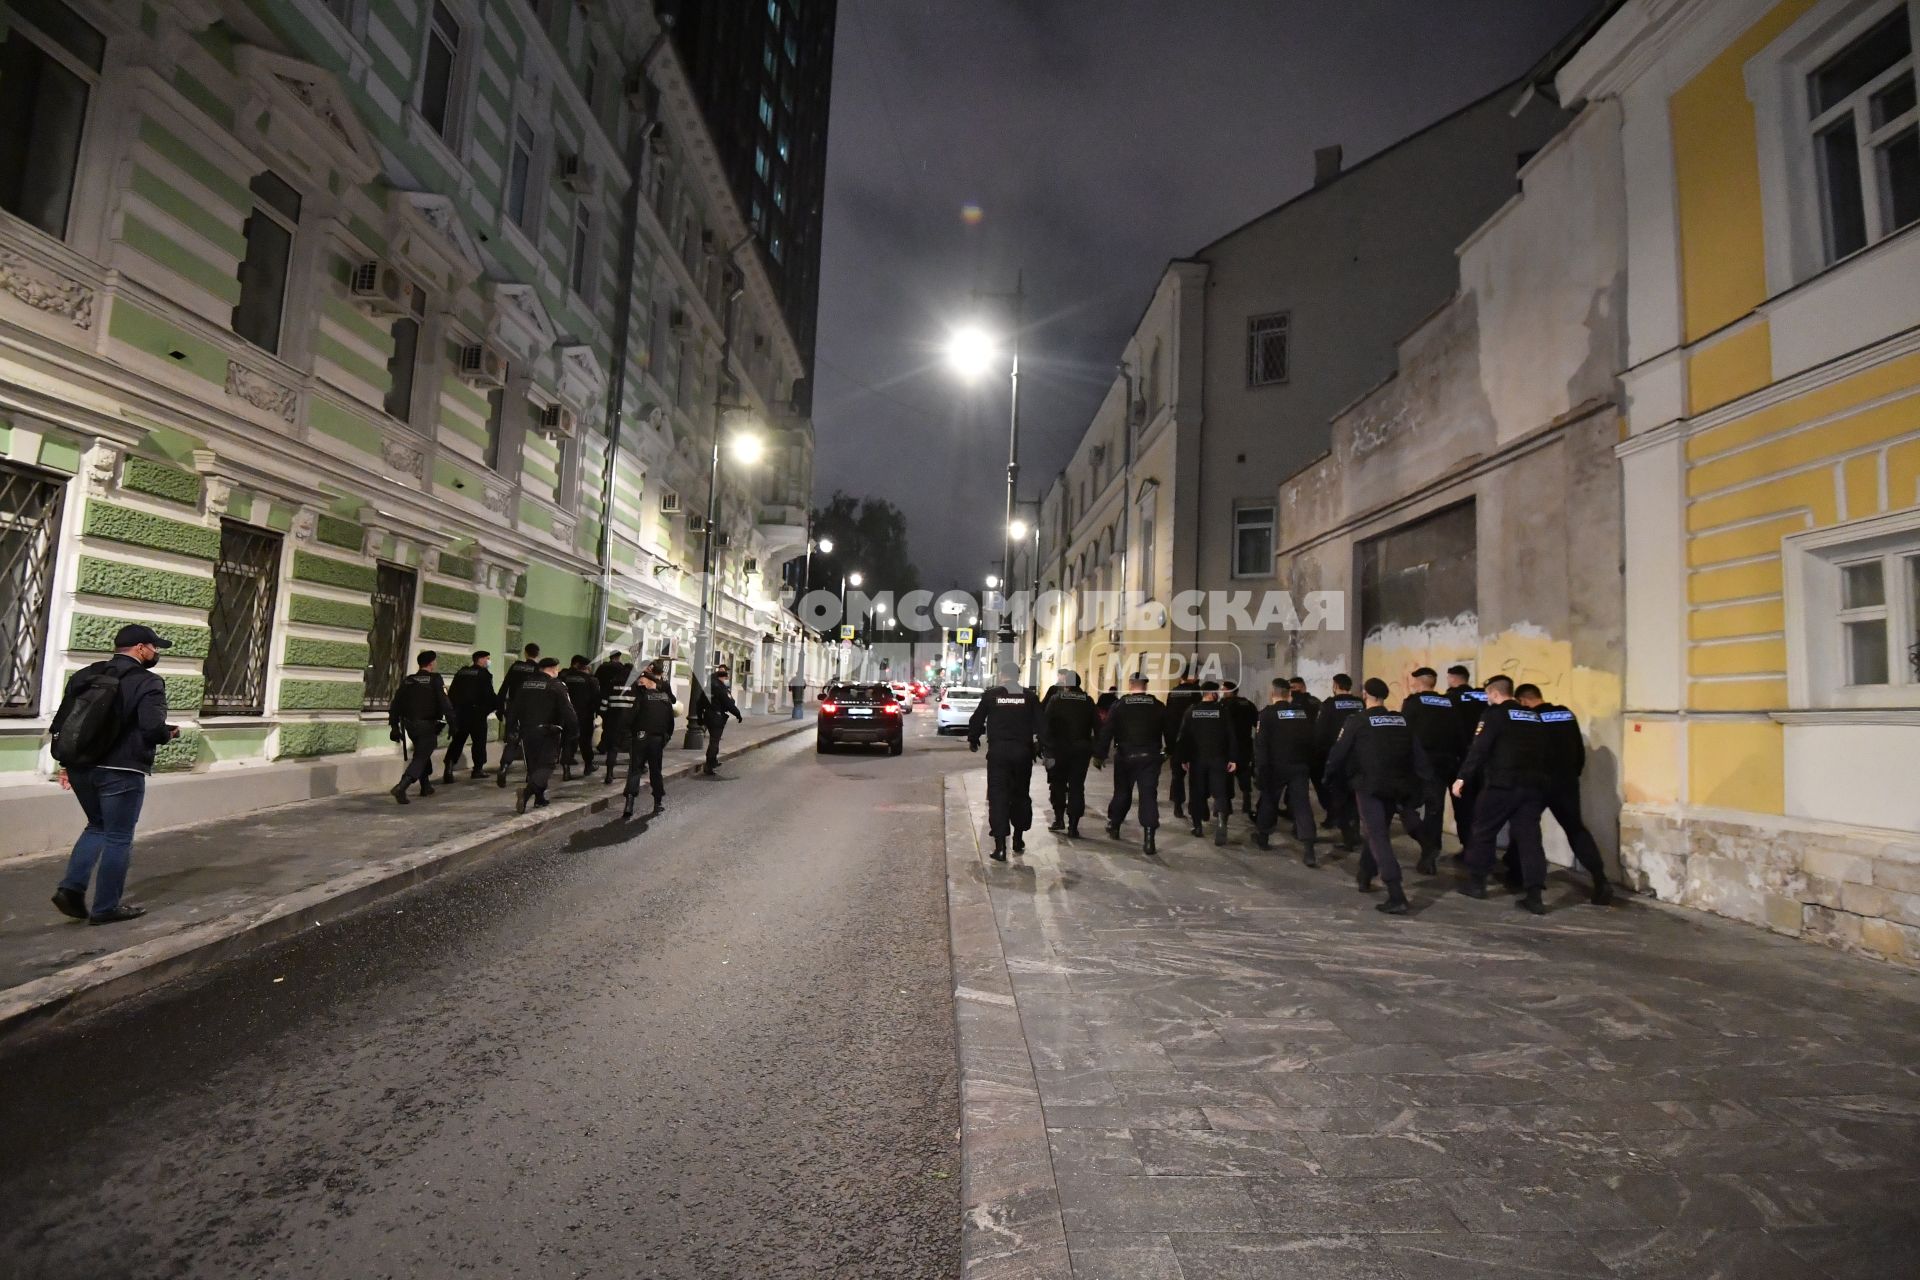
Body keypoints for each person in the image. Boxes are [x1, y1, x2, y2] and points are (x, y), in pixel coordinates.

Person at [48, 625, 179, 925]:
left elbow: (66, 721)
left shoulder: (85, 675)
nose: (156, 653)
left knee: (97, 826)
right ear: (141, 648)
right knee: (119, 837)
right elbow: (150, 728)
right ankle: (106, 907)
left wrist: (67, 764)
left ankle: (71, 889)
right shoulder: (148, 682)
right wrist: (168, 733)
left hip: (81, 766)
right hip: (122, 769)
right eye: (154, 647)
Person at [1325, 678, 1433, 914]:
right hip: (1399, 786)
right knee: (1377, 831)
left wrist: (1328, 775)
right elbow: (1418, 754)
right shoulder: (1400, 720)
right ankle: (1365, 874)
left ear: (1366, 694)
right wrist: (1425, 784)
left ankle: (1396, 894)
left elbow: (1339, 751)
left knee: (1377, 835)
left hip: (1370, 786)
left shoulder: (1357, 721)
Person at [1452, 675, 1552, 914]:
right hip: (1532, 786)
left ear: (1494, 694)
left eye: (1488, 695)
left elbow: (1479, 749)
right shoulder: (1533, 716)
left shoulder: (1494, 715)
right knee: (1530, 839)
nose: (1487, 699)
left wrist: (1462, 777)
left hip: (1502, 785)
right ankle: (1534, 895)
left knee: (1482, 830)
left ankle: (1478, 884)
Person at [1516, 684, 1614, 905]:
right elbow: (1578, 749)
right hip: (1567, 782)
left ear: (1523, 700)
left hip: (1537, 782)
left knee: (1526, 830)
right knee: (1576, 829)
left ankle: (1533, 894)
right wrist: (1573, 774)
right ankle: (1600, 880)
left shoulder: (1527, 718)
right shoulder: (1565, 713)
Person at [967, 670, 1040, 861]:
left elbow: (976, 719)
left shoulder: (992, 695)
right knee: (1021, 795)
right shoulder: (1029, 697)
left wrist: (973, 739)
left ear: (1002, 676)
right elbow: (1042, 724)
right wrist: (1045, 748)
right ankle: (1018, 839)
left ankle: (1000, 848)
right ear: (1017, 675)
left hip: (998, 753)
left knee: (998, 797)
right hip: (1022, 753)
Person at [1095, 674, 1167, 854]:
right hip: (1150, 757)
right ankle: (1149, 838)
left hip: (1126, 756)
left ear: (1130, 685)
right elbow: (1169, 730)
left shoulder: (1119, 706)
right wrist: (1170, 751)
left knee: (1122, 792)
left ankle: (1115, 825)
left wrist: (1100, 754)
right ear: (1145, 686)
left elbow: (1107, 731)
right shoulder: (1157, 706)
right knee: (1148, 796)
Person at [1400, 667, 1462, 875]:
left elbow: (1404, 733)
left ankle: (1427, 847)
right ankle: (1430, 852)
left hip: (1419, 765)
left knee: (1406, 806)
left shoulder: (1413, 703)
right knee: (1435, 809)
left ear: (1418, 682)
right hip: (1445, 763)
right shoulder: (1449, 703)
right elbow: (1457, 732)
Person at [1253, 678, 1319, 864]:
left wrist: (1260, 770)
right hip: (1299, 766)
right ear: (1288, 694)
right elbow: (1311, 740)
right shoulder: (1302, 713)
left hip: (1276, 766)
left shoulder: (1267, 714)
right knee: (1302, 805)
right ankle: (1309, 848)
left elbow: (1261, 746)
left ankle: (1263, 837)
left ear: (1272, 693)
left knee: (1269, 800)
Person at [506, 656, 577, 814]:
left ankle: (539, 798)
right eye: (557, 669)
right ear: (553, 669)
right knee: (546, 765)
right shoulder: (556, 686)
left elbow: (514, 708)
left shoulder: (525, 684)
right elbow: (568, 710)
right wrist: (574, 729)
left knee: (534, 767)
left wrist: (510, 729)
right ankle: (526, 793)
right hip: (548, 731)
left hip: (527, 731)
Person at [388, 650, 454, 804]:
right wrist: (453, 722)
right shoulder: (435, 679)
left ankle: (425, 786)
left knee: (421, 752)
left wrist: (394, 726)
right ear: (431, 663)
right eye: (435, 661)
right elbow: (444, 702)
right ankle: (402, 786)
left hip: (410, 725)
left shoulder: (409, 680)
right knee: (421, 756)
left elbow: (396, 703)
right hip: (427, 724)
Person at [1177, 682, 1237, 845]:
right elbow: (1231, 735)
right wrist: (1233, 758)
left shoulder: (1192, 711)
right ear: (1212, 693)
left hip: (1197, 760)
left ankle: (1197, 827)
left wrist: (1183, 759)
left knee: (1197, 793)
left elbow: (1183, 738)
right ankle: (1221, 822)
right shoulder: (1223, 711)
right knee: (1220, 792)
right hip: (1219, 758)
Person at [1039, 670, 1098, 837]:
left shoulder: (1056, 700)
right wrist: (1098, 751)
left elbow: (1046, 723)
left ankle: (1059, 819)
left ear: (1066, 684)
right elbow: (1097, 726)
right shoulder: (1088, 701)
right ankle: (1073, 826)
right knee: (1077, 787)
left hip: (1059, 750)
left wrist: (1043, 746)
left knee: (1057, 784)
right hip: (1081, 750)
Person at [1313, 674, 1364, 849]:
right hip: (1358, 757)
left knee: (1339, 797)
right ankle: (1354, 831)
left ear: (1335, 686)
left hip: (1337, 756)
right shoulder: (1360, 703)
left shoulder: (1329, 705)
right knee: (1354, 796)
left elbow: (1321, 732)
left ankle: (1348, 836)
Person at [621, 665, 678, 818]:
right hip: (657, 740)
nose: (640, 683)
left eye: (642, 680)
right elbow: (670, 724)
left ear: (649, 682)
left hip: (640, 738)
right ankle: (658, 803)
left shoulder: (641, 698)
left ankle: (629, 804)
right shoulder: (665, 699)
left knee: (634, 770)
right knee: (656, 771)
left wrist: (631, 734)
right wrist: (665, 738)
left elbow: (629, 719)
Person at [1445, 664, 1488, 849]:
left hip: (1459, 759)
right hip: (1484, 760)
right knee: (1482, 805)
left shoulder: (1450, 699)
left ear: (1453, 678)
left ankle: (1469, 846)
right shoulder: (1482, 696)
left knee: (1463, 806)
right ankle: (1482, 845)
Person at [494, 642, 542, 788]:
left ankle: (504, 767)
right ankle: (530, 774)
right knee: (531, 743)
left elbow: (504, 687)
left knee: (512, 740)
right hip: (531, 711)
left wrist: (499, 708)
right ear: (537, 654)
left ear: (526, 653)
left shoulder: (515, 666)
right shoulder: (538, 669)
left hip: (513, 708)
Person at [443, 650, 495, 781]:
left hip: (460, 713)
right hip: (477, 713)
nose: (488, 661)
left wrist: (454, 712)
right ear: (481, 660)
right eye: (487, 659)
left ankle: (448, 768)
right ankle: (478, 769)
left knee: (458, 740)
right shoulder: (484, 674)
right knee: (479, 741)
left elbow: (452, 693)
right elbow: (488, 695)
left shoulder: (462, 672)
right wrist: (493, 707)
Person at [1164, 673, 1202, 819]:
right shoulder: (1197, 692)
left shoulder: (1173, 693)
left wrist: (1169, 745)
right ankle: (1194, 807)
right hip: (1194, 741)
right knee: (1196, 776)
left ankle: (1178, 806)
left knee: (1177, 775)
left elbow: (1168, 718)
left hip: (1176, 740)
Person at [558, 655, 601, 779]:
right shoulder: (590, 680)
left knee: (567, 740)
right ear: (585, 667)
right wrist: (596, 713)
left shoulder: (564, 677)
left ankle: (566, 770)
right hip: (585, 716)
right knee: (585, 741)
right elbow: (596, 699)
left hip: (567, 715)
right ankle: (588, 765)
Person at [1221, 679, 1258, 816]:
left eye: (1223, 689)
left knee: (1227, 775)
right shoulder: (1248, 704)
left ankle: (1228, 805)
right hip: (1245, 744)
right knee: (1244, 772)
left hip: (1229, 746)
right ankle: (1246, 800)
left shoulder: (1223, 705)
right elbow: (1257, 724)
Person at [701, 664, 744, 774]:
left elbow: (701, 700)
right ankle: (708, 766)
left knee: (714, 741)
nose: (726, 678)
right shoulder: (720, 688)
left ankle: (713, 761)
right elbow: (729, 703)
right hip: (717, 717)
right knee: (714, 742)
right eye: (725, 676)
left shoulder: (709, 686)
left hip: (708, 715)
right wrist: (738, 714)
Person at [600, 673, 637, 784]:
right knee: (633, 749)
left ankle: (609, 774)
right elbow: (638, 705)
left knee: (613, 748)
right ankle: (633, 774)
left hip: (613, 722)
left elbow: (603, 705)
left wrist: (606, 718)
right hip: (629, 723)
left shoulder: (612, 684)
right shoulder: (635, 685)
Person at [594, 651, 633, 754]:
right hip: (621, 702)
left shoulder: (602, 667)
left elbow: (596, 680)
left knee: (607, 726)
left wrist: (601, 709)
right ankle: (615, 746)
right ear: (618, 657)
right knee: (620, 728)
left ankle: (603, 746)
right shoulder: (621, 669)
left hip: (605, 699)